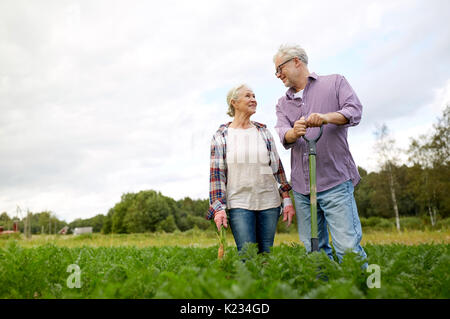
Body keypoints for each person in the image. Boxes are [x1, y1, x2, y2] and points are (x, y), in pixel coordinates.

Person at [273, 44, 367, 264]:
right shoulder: (282, 103)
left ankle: (363, 291)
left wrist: (326, 117)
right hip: (302, 188)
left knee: (348, 249)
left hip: (334, 181)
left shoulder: (334, 82)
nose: (278, 75)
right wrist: (293, 132)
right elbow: (281, 132)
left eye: (279, 68)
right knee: (315, 252)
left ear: (296, 61)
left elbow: (354, 110)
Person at [206, 84, 296, 254]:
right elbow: (216, 176)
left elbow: (277, 168)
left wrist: (287, 199)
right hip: (239, 202)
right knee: (247, 254)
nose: (253, 99)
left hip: (269, 202)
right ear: (234, 102)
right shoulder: (222, 136)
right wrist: (218, 208)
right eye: (248, 96)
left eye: (254, 96)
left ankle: (265, 281)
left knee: (265, 255)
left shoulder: (263, 132)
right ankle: (248, 281)